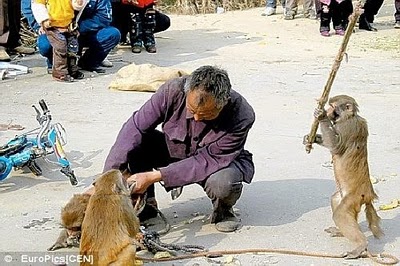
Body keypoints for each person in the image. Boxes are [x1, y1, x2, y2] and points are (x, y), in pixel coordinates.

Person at [103, 65, 255, 233]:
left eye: (206, 115)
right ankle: (147, 210)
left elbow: (208, 160)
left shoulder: (241, 114)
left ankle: (223, 211)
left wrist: (156, 176)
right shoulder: (172, 91)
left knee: (224, 182)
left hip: (214, 163)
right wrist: (107, 179)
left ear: (223, 102)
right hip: (174, 151)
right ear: (186, 91)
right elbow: (134, 128)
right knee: (136, 143)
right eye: (191, 111)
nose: (196, 118)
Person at [32, 0, 85, 82]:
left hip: (69, 24)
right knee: (60, 47)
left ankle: (72, 69)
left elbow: (76, 6)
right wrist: (43, 19)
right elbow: (38, 4)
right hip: (52, 25)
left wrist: (78, 3)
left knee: (72, 47)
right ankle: (60, 72)